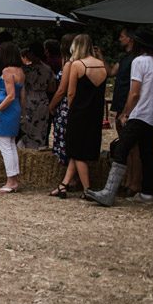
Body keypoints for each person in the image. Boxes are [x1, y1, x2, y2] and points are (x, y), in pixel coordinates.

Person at [87, 29, 153, 206]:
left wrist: (126, 113)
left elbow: (135, 92)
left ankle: (109, 192)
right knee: (146, 153)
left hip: (139, 113)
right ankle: (147, 192)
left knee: (121, 149)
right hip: (152, 114)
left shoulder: (138, 61)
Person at [51, 34, 106, 199]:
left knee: (76, 151)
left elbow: (71, 92)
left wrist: (70, 108)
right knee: (79, 149)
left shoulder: (77, 65)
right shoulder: (101, 65)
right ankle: (63, 185)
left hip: (78, 113)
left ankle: (87, 190)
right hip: (95, 113)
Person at [0, 42, 25, 193]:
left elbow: (10, 96)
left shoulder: (7, 71)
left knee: (5, 146)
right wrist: (22, 110)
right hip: (15, 109)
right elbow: (22, 94)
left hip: (5, 110)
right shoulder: (20, 71)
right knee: (11, 144)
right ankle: (14, 178)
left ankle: (11, 181)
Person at [106, 28, 140, 196]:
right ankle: (126, 180)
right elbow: (110, 72)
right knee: (124, 145)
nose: (119, 39)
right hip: (120, 104)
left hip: (128, 106)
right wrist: (100, 57)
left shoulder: (137, 60)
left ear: (130, 39)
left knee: (132, 146)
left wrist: (127, 110)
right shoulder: (124, 58)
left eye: (122, 36)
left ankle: (134, 183)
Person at [19, 43, 56, 149]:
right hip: (43, 100)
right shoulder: (48, 69)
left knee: (28, 128)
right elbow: (52, 88)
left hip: (29, 99)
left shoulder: (25, 70)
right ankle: (40, 148)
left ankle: (28, 150)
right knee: (41, 129)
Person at [48, 33, 76, 172]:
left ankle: (70, 177)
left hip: (65, 105)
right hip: (71, 104)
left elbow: (61, 90)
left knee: (65, 140)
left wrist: (51, 105)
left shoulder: (69, 65)